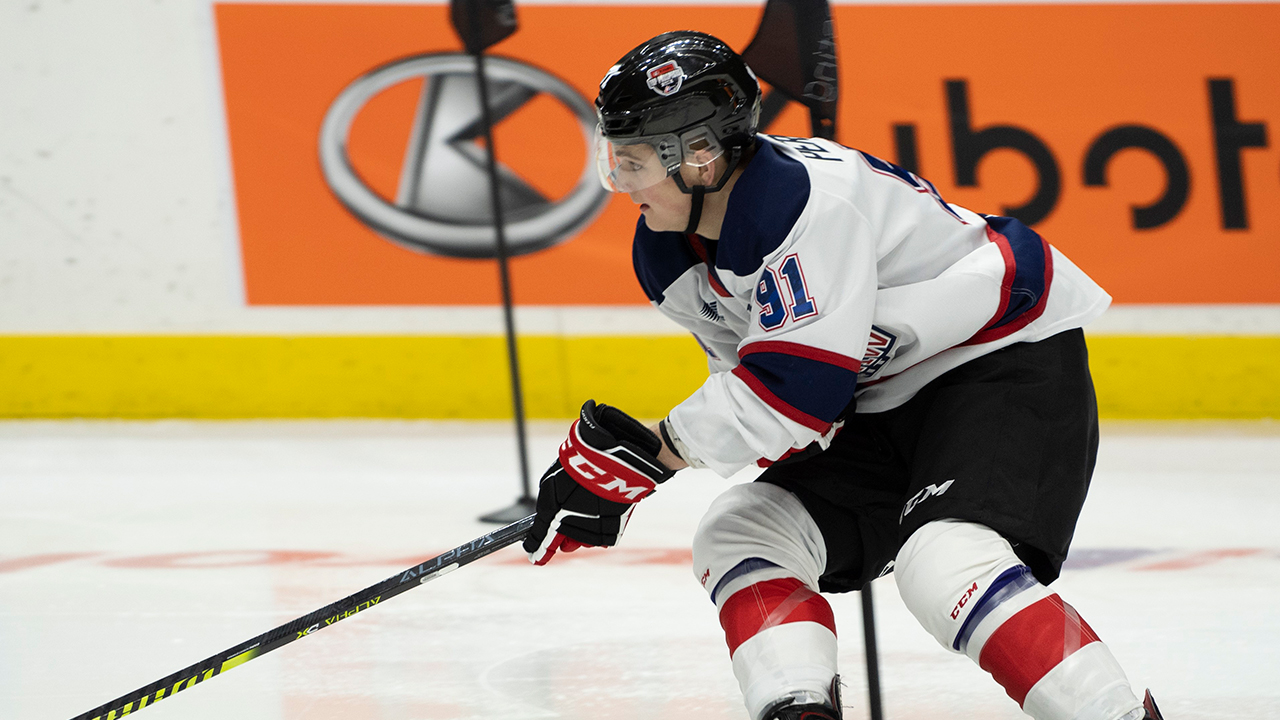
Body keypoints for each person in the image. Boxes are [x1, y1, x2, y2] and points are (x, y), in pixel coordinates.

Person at [522, 30, 1166, 720]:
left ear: (702, 157)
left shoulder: (804, 205)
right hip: (874, 399)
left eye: (634, 159)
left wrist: (650, 451)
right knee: (741, 533)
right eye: (613, 156)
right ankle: (798, 711)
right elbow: (771, 398)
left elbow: (793, 394)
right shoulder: (667, 252)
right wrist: (643, 459)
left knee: (944, 562)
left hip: (997, 364)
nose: (619, 181)